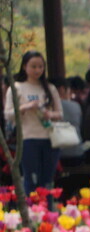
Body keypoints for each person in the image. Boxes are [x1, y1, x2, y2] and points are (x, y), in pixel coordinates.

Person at [4, 51, 63, 195]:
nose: (37, 70)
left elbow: (60, 114)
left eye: (40, 67)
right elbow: (8, 114)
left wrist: (49, 114)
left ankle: (48, 212)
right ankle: (31, 212)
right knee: (31, 179)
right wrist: (26, 107)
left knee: (47, 181)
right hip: (28, 139)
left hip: (50, 139)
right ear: (25, 67)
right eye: (33, 66)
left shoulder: (50, 88)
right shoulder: (17, 87)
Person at [52, 77, 85, 168]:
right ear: (62, 89)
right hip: (76, 154)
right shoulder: (75, 106)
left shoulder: (46, 107)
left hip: (55, 156)